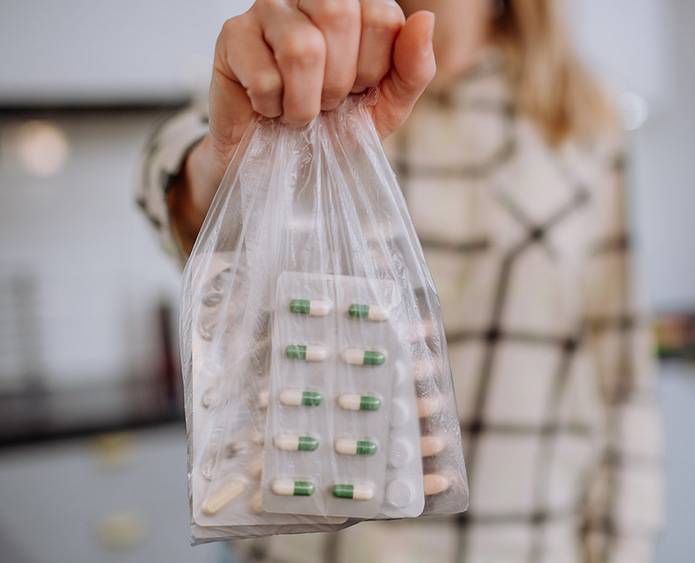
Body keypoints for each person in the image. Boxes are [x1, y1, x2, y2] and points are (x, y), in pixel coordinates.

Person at [138, 1, 663, 561]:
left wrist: (623, 549)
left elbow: (622, 373)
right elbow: (173, 177)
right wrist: (222, 162)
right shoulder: (305, 78)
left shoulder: (579, 114)